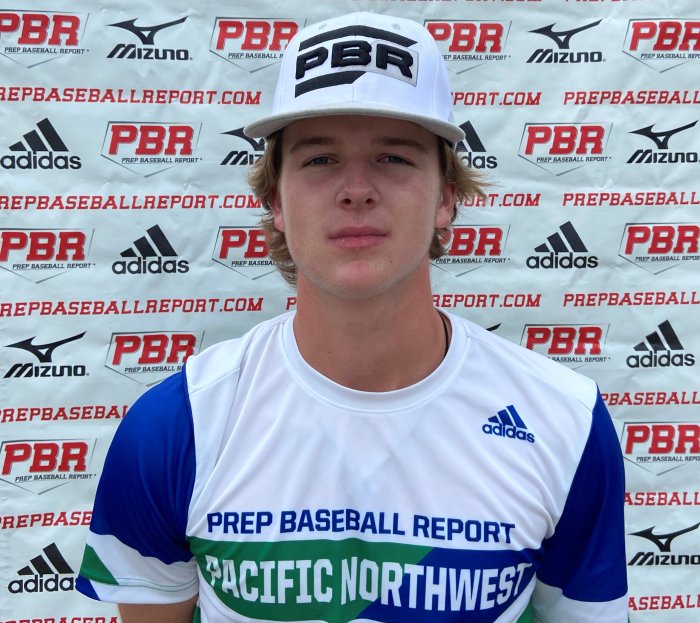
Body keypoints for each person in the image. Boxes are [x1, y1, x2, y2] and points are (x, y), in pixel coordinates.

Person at [77, 11, 628, 623]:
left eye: (394, 157)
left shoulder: (563, 419)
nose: (357, 189)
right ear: (275, 201)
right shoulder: (177, 425)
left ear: (445, 197)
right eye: (319, 160)